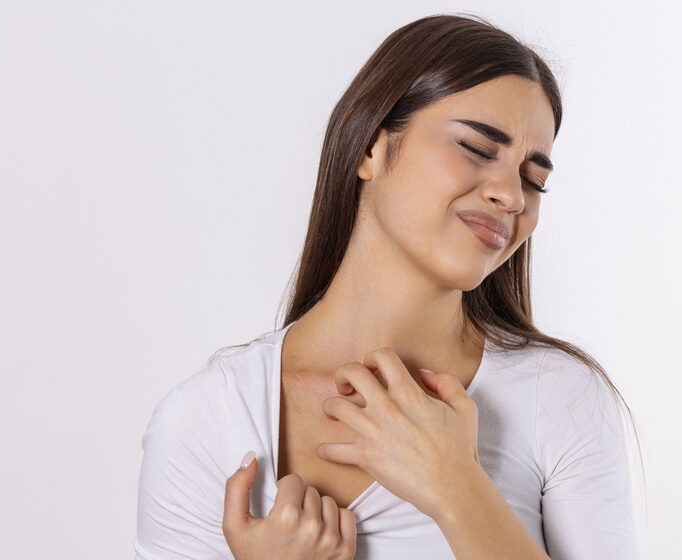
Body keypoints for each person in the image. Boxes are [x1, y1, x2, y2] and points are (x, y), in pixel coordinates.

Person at [135, 13, 643, 560]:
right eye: (476, 148)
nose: (512, 196)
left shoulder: (560, 398)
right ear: (369, 149)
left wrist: (456, 487)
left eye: (532, 179)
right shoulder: (206, 420)